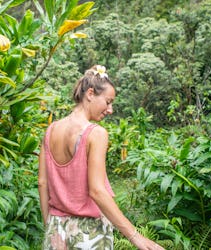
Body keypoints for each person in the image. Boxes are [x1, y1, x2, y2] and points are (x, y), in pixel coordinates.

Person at [38, 65, 164, 250]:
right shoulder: (95, 134)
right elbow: (97, 191)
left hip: (55, 230)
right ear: (90, 93)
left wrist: (49, 224)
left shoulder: (50, 131)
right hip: (89, 233)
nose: (110, 109)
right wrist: (136, 237)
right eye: (108, 101)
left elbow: (42, 183)